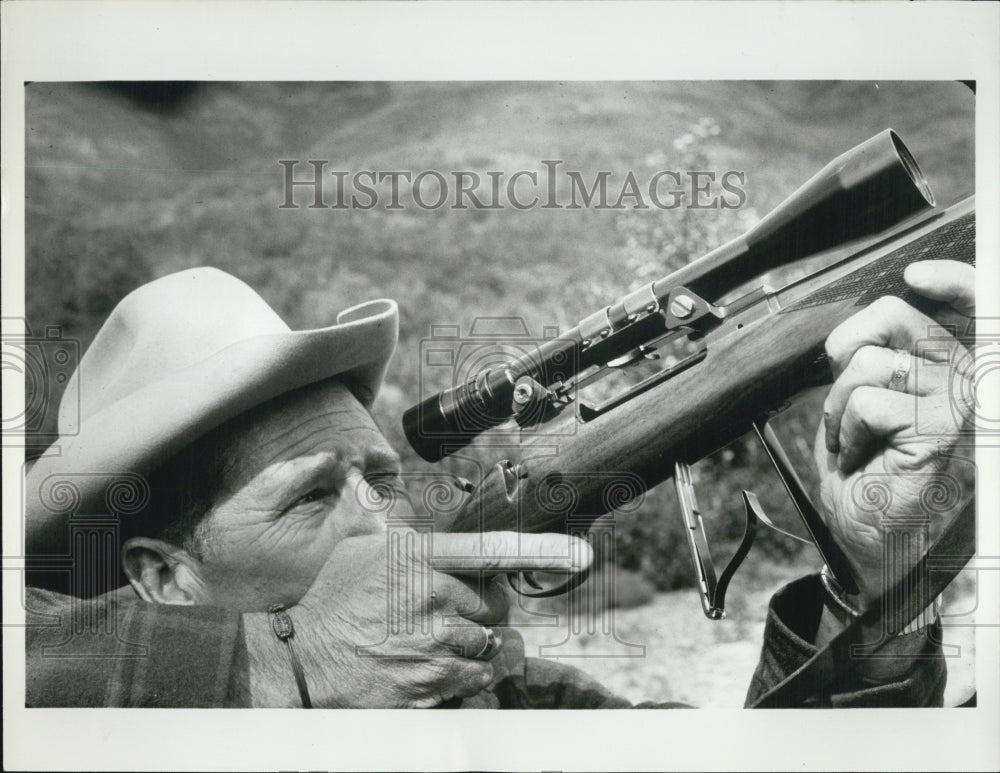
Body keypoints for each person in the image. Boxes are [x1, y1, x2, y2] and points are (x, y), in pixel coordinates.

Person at [22, 259, 975, 708]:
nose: (384, 527)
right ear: (159, 579)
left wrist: (879, 589)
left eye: (383, 479)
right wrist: (288, 664)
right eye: (311, 495)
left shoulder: (515, 702)